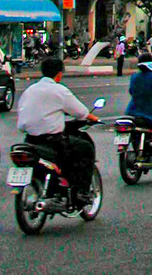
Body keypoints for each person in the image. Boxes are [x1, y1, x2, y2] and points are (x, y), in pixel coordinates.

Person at [16, 56, 99, 203]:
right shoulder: (59, 90)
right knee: (85, 148)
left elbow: (22, 123)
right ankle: (82, 192)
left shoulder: (30, 90)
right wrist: (92, 117)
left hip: (30, 140)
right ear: (59, 74)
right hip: (53, 142)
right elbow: (80, 112)